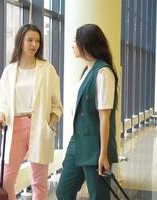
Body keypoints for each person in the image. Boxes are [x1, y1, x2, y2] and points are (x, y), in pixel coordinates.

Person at [0, 24, 63, 200]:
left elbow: (56, 104)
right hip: (15, 127)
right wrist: (1, 115)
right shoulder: (10, 71)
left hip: (39, 126)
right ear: (20, 41)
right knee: (5, 180)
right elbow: (2, 101)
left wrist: (50, 125)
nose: (34, 44)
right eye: (30, 40)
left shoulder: (47, 69)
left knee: (39, 182)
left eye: (37, 41)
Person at [56, 24, 118, 200]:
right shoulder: (87, 70)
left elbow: (105, 117)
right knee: (63, 191)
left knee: (98, 195)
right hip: (77, 141)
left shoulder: (103, 72)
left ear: (86, 44)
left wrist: (103, 153)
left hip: (96, 146)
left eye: (76, 41)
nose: (73, 45)